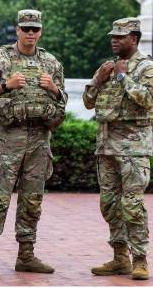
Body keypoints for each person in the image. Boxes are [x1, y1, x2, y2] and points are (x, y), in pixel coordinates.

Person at [0, 9, 67, 275]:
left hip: (40, 140)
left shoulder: (52, 63)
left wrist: (55, 90)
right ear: (17, 30)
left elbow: (63, 101)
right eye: (26, 29)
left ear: (41, 31)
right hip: (9, 138)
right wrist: (4, 86)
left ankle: (26, 255)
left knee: (32, 200)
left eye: (35, 29)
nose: (31, 34)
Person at [83, 17, 152, 280]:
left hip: (134, 148)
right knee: (109, 205)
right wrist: (99, 80)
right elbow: (89, 102)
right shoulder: (107, 67)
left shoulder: (146, 68)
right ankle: (120, 258)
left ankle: (140, 260)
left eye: (120, 36)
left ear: (133, 39)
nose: (114, 39)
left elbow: (147, 99)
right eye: (112, 35)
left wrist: (123, 77)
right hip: (106, 147)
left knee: (132, 204)